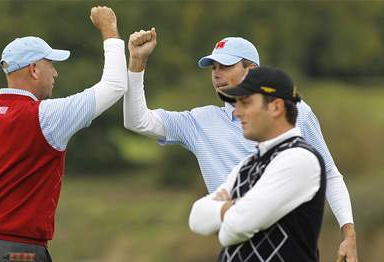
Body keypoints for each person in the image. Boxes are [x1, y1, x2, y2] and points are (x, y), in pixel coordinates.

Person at [124, 29, 358, 261]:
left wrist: (348, 232)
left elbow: (329, 173)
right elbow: (137, 121)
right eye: (213, 68)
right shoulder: (199, 122)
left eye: (225, 66)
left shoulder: (295, 113)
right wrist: (137, 63)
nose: (216, 74)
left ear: (252, 70)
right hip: (237, 252)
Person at [0, 6, 126, 262]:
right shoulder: (47, 116)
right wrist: (109, 30)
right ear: (34, 69)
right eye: (51, 65)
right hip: (20, 253)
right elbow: (114, 86)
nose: (55, 73)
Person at [189, 66, 326, 261]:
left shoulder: (300, 159)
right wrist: (235, 208)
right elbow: (197, 218)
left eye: (245, 103)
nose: (237, 112)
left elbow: (235, 228)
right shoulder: (247, 163)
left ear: (276, 107)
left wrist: (225, 209)